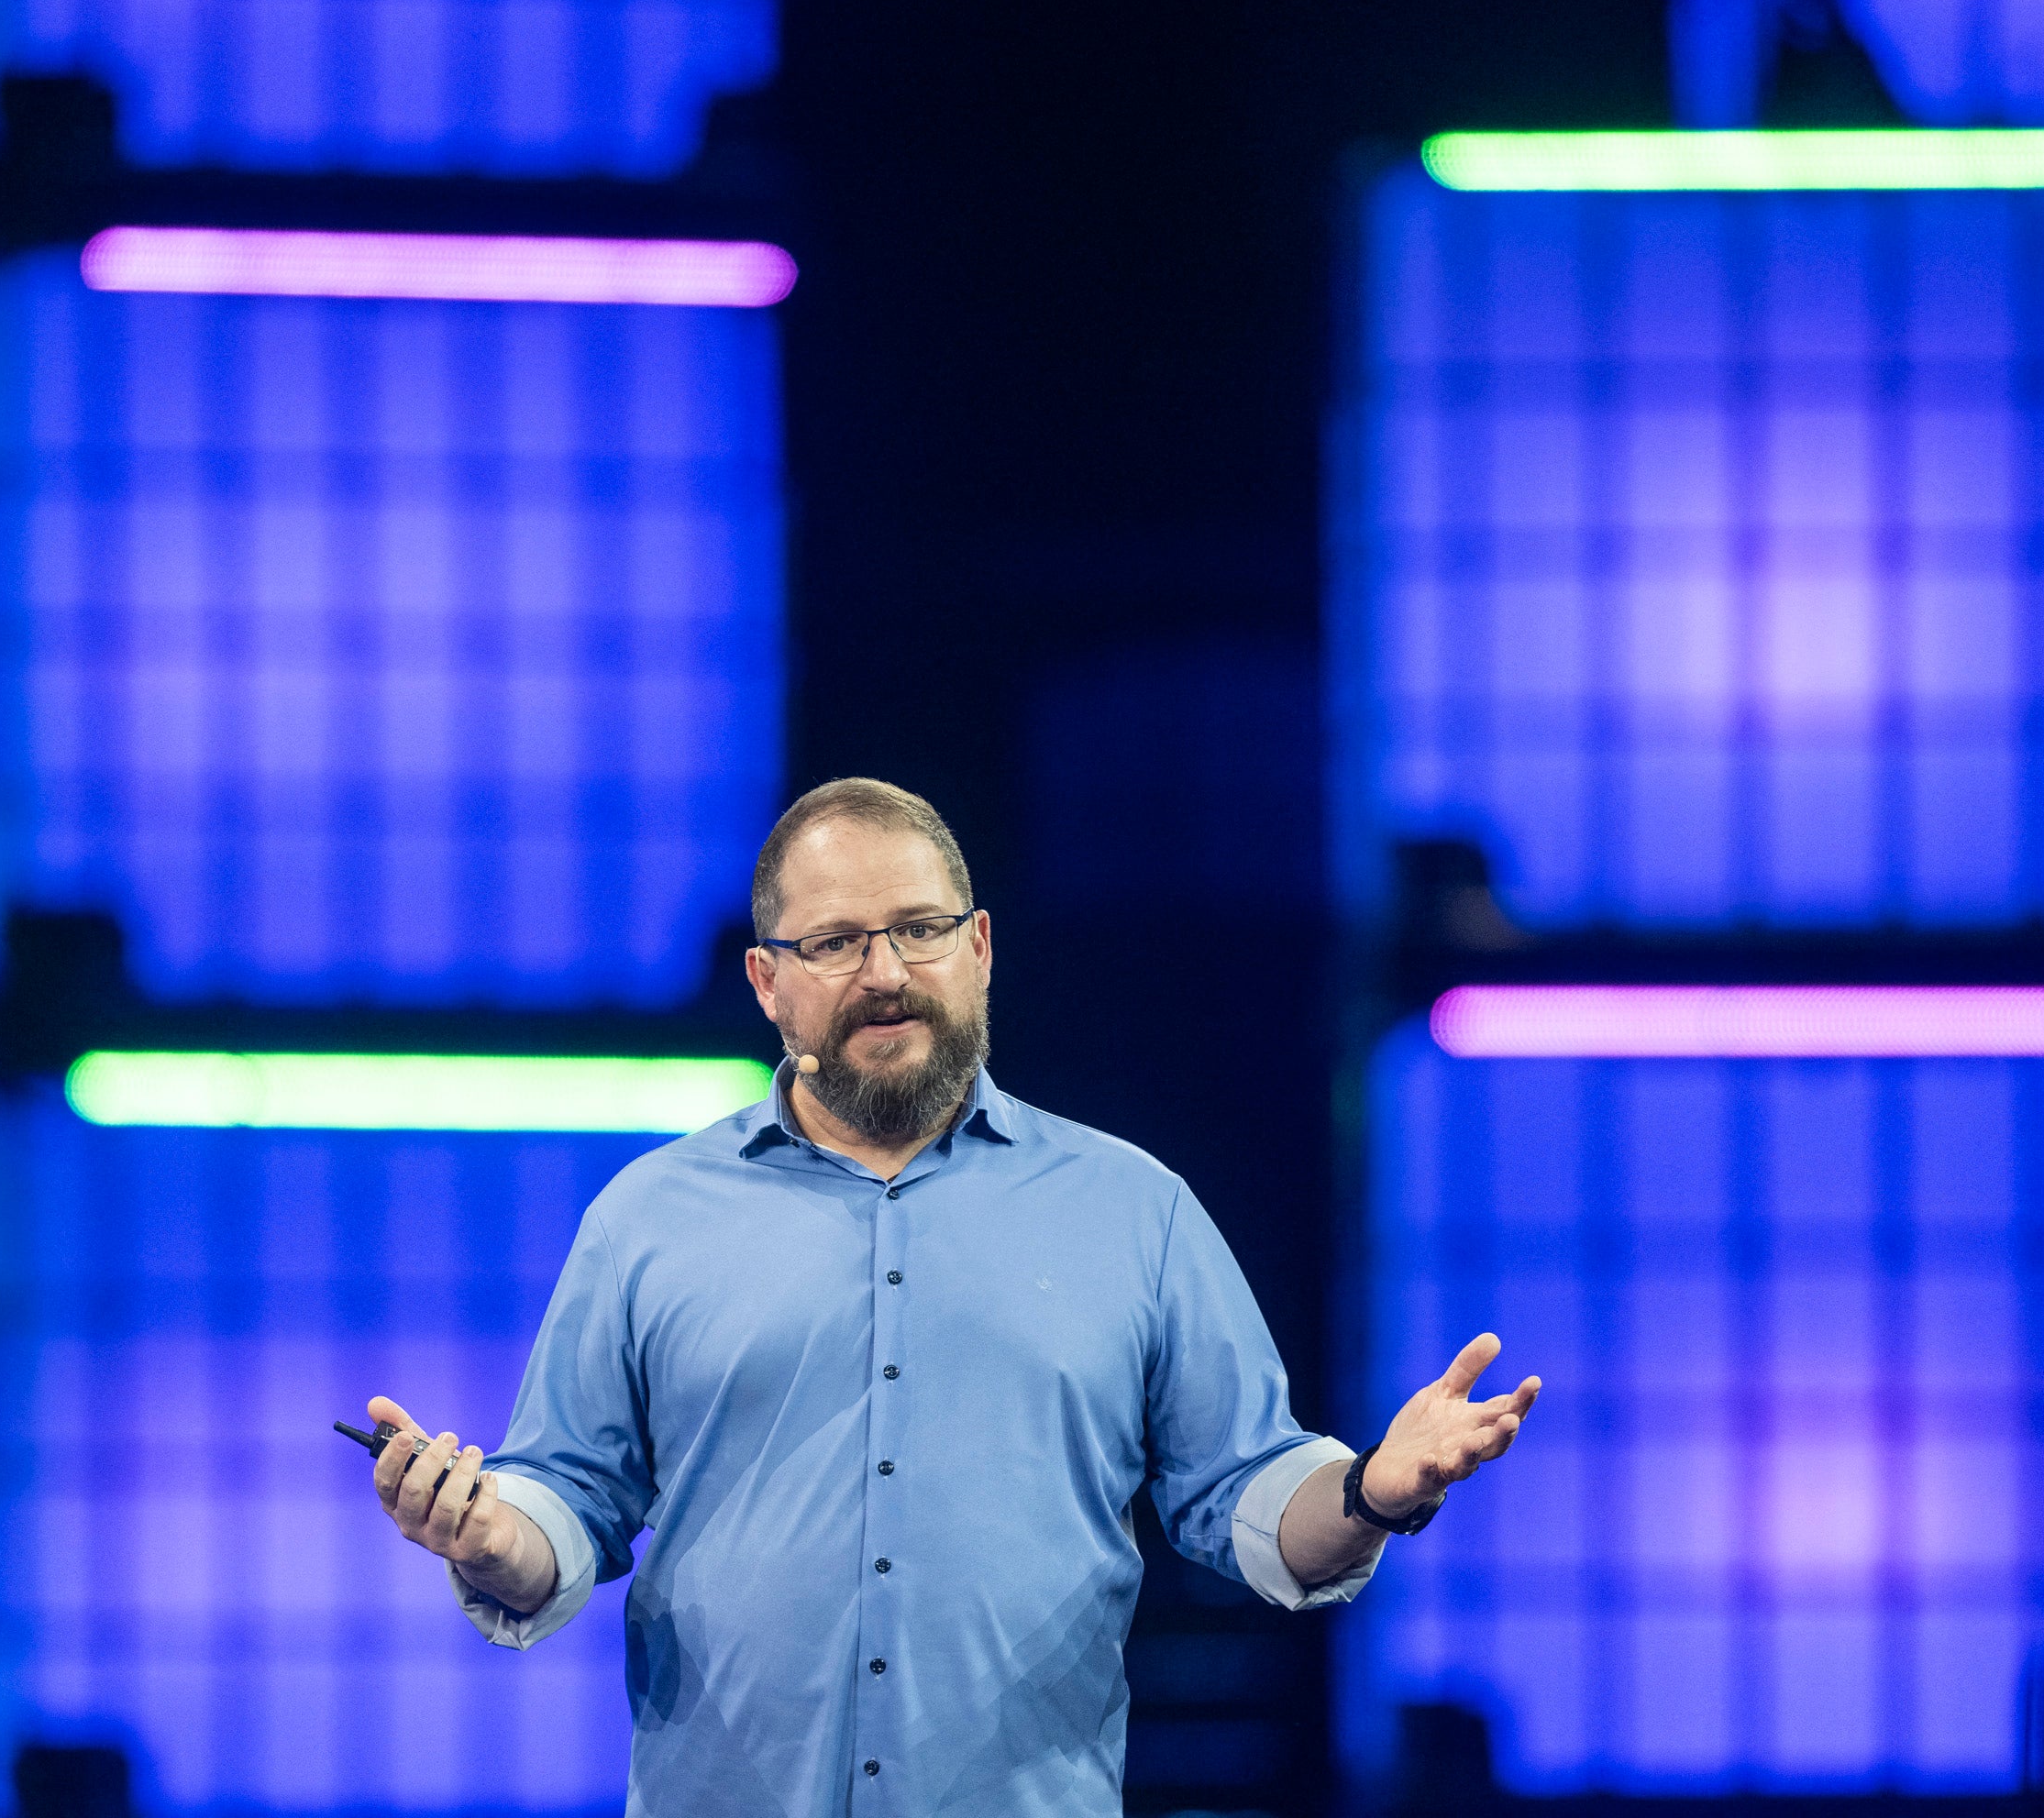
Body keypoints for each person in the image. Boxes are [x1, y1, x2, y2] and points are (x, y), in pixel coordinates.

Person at [364, 777, 1539, 1816]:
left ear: (978, 946)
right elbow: (570, 1494)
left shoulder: (1135, 1207)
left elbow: (1242, 1483)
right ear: (767, 981)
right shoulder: (647, 1216)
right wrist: (489, 1534)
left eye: (918, 930)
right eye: (834, 942)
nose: (884, 973)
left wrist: (1371, 1490)